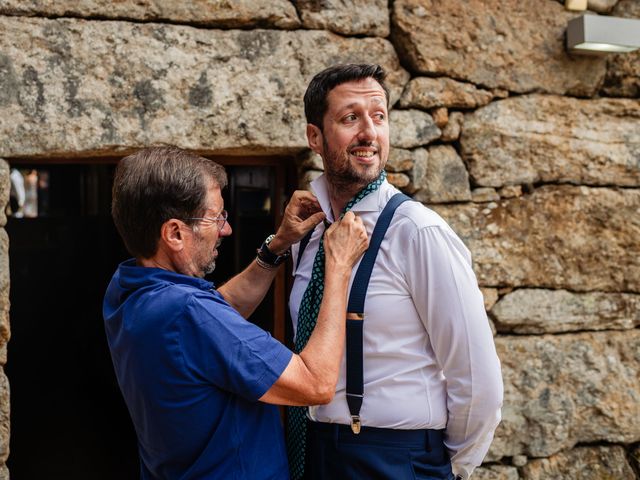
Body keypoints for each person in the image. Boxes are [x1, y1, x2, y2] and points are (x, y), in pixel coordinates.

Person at [286, 64, 503, 480]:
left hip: (397, 457)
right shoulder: (308, 232)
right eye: (351, 118)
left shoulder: (418, 233)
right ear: (315, 137)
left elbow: (478, 381)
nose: (370, 133)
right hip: (314, 453)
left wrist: (444, 467)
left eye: (379, 116)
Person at [103, 146, 369, 479]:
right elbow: (315, 384)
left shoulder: (128, 289)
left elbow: (217, 313)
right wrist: (340, 266)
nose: (225, 229)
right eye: (217, 218)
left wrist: (276, 247)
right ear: (174, 233)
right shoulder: (189, 313)